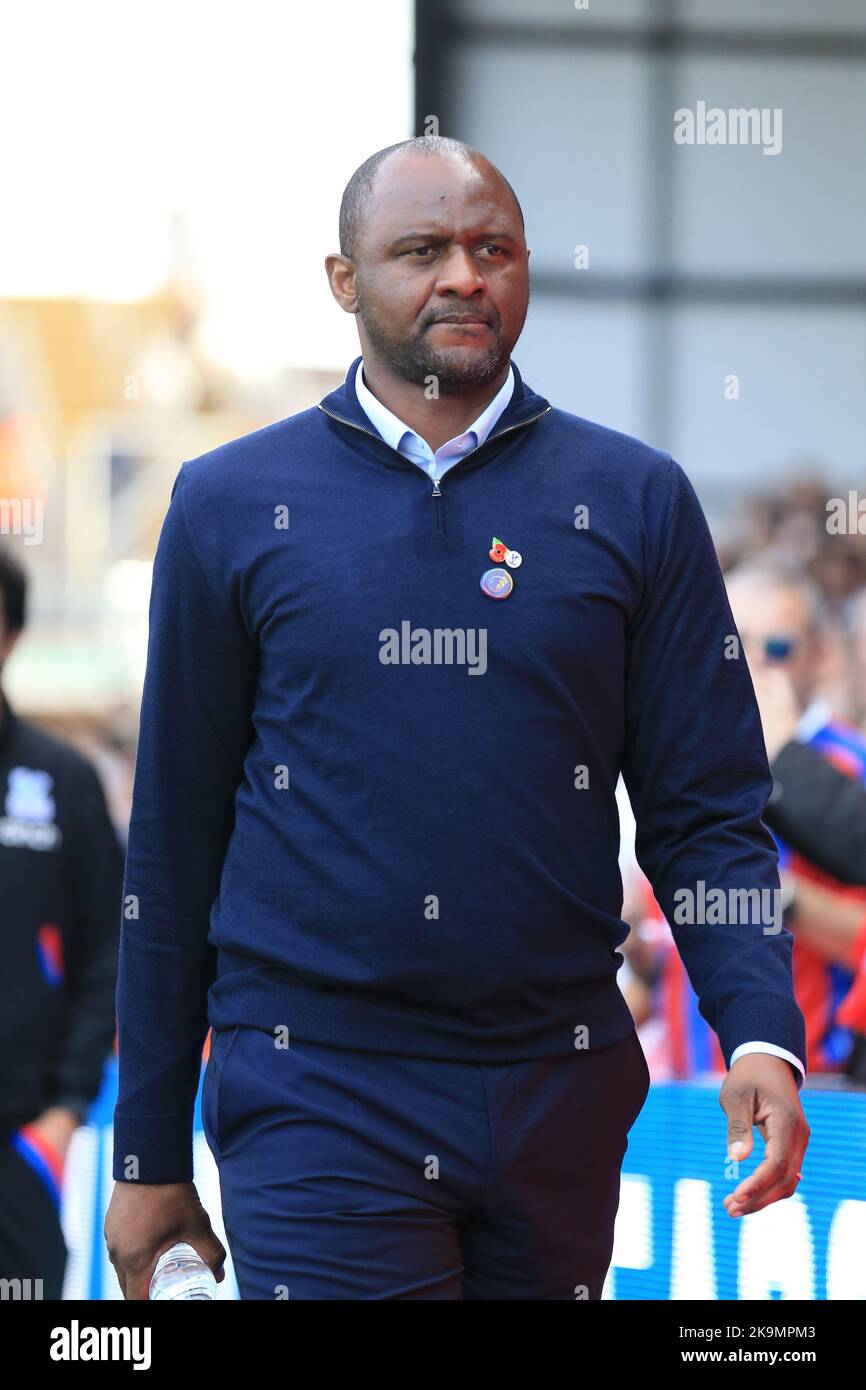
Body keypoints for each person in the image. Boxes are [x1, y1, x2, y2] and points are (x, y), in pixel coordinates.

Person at [105, 136, 809, 1301]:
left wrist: (756, 1031)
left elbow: (706, 811)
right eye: (421, 250)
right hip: (317, 1091)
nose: (463, 277)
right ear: (344, 281)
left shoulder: (634, 501)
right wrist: (146, 1153)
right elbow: (173, 842)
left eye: (493, 250)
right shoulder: (228, 506)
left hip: (560, 1091)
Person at [0, 547, 123, 1298]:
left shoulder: (60, 781)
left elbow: (108, 951)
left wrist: (62, 1115)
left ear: (10, 635)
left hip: (20, 1140)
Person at [727, 559, 866, 1075]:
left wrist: (775, 895)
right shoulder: (685, 763)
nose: (755, 663)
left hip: (819, 1077)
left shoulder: (849, 762)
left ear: (821, 654)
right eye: (735, 643)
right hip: (698, 1072)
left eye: (778, 648)